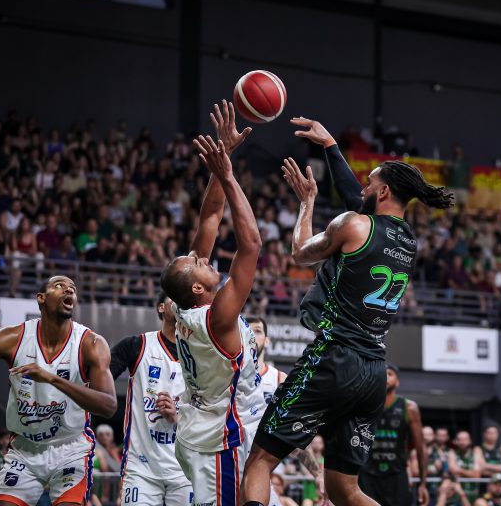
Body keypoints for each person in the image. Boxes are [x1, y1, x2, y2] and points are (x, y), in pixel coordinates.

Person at [241, 117, 453, 506]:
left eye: (369, 183)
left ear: (383, 191)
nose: (362, 188)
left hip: (335, 358)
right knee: (344, 489)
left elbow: (300, 253)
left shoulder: (352, 225)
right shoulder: (408, 241)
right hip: (373, 374)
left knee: (260, 461)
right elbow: (358, 202)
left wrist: (307, 203)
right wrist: (330, 146)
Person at [159, 102, 262, 504]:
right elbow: (251, 245)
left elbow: (210, 217)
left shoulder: (185, 303)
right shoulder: (218, 318)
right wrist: (229, 176)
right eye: (198, 264)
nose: (203, 259)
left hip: (201, 427)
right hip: (216, 441)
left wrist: (223, 158)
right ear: (198, 289)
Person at [0, 275, 117, 506]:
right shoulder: (12, 338)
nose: (68, 290)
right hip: (25, 447)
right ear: (41, 298)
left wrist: (52, 379)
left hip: (71, 447)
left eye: (72, 288)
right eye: (59, 286)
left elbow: (109, 406)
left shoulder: (91, 343)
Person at [109, 291, 192, 505]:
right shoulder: (137, 346)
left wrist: (177, 417)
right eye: (173, 298)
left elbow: (210, 413)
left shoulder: (200, 354)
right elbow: (99, 380)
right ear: (161, 308)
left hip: (185, 467)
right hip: (141, 467)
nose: (179, 302)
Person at [247, 317, 325, 506]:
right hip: (223, 470)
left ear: (267, 340)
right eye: (246, 330)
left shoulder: (280, 381)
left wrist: (317, 474)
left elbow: (294, 434)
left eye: (257, 331)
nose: (251, 335)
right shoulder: (225, 376)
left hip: (258, 475)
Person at [359, 364, 429, 506]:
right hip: (367, 475)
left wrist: (422, 483)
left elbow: (420, 448)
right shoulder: (364, 405)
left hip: (397, 474)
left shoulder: (409, 408)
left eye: (390, 374)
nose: (385, 377)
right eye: (382, 374)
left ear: (397, 382)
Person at [448, 431, 482, 504]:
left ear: (470, 441)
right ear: (456, 441)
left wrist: (459, 471)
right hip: (456, 495)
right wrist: (470, 473)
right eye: (460, 439)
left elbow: (477, 475)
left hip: (473, 495)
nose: (462, 442)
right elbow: (453, 470)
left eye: (465, 439)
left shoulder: (475, 453)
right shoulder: (452, 453)